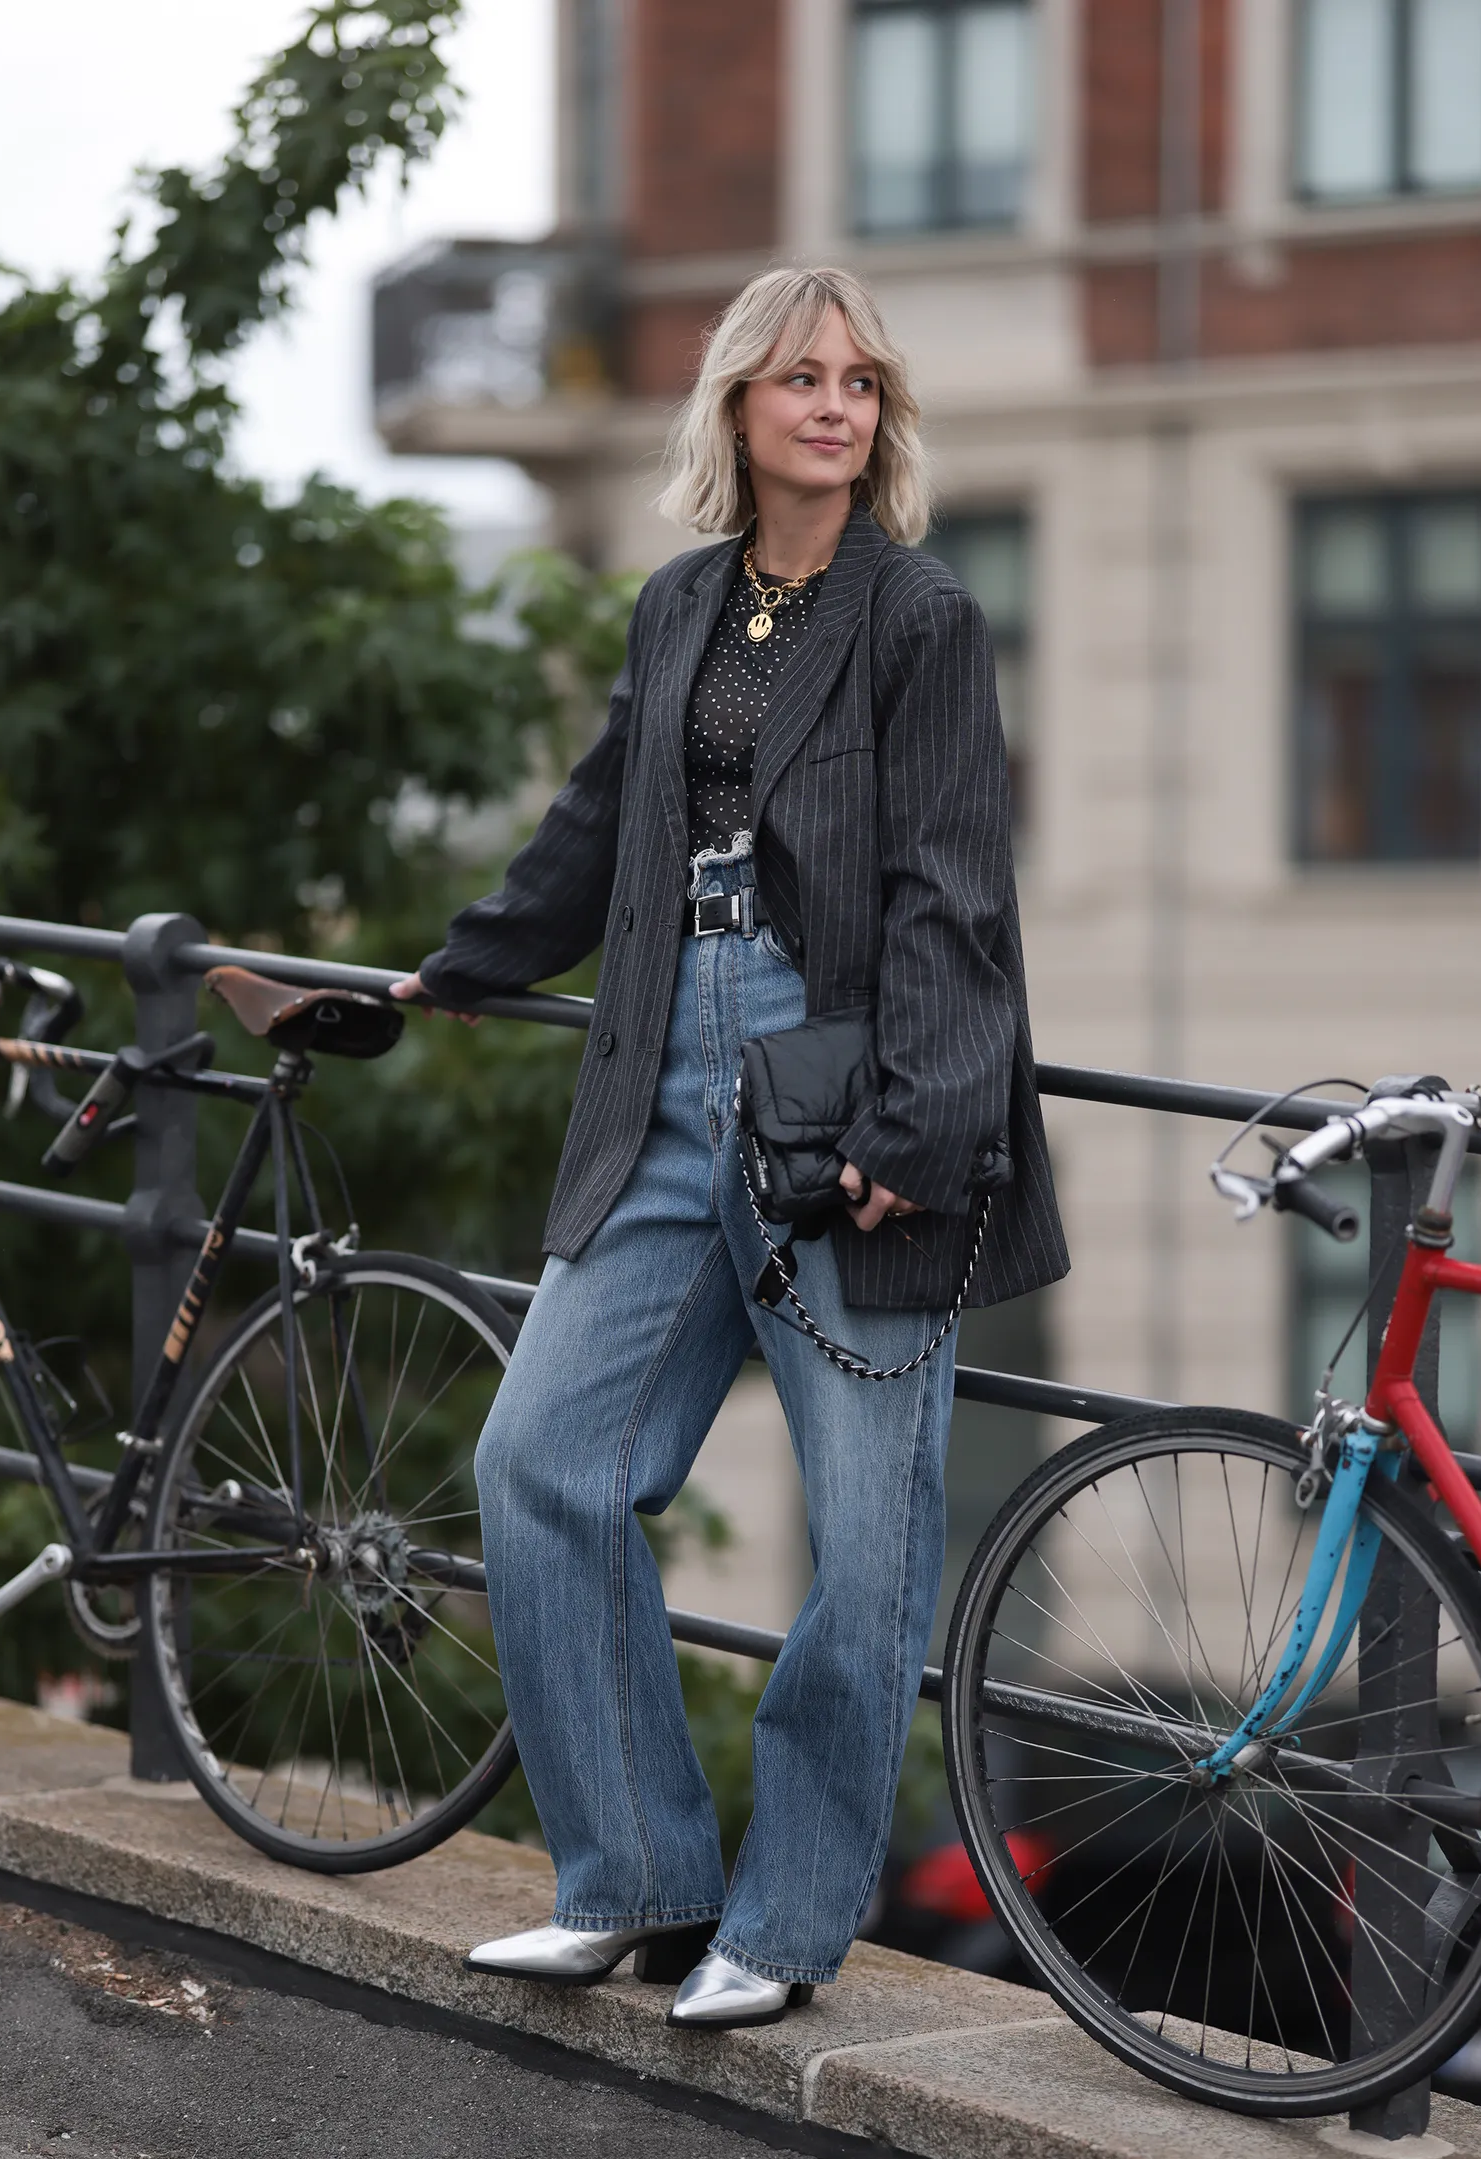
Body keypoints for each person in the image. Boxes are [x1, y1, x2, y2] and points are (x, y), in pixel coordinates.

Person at [392, 265, 1067, 2029]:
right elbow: (603, 819)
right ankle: (631, 1877)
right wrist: (459, 964)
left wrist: (919, 1125)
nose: (834, 405)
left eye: (858, 381)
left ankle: (782, 1921)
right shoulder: (681, 603)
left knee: (866, 1544)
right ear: (738, 410)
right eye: (799, 379)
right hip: (666, 1085)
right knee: (542, 1461)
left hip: (846, 1099)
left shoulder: (920, 618)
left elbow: (953, 890)